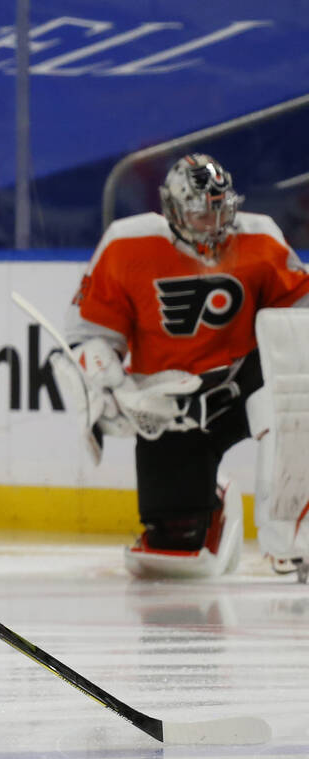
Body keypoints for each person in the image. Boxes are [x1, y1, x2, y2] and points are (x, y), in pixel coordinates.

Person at [55, 153, 309, 578]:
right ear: (172, 210)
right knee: (174, 546)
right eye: (198, 214)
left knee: (291, 400)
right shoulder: (125, 244)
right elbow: (88, 333)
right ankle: (211, 494)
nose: (212, 224)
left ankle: (294, 534)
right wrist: (109, 383)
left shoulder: (259, 236)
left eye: (219, 211)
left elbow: (299, 318)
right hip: (174, 404)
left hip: (243, 379)